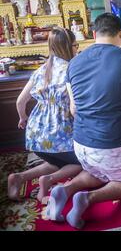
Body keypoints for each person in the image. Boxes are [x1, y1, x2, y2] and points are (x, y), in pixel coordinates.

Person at [46, 13, 121, 229]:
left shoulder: (73, 63)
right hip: (109, 143)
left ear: (94, 34)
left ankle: (66, 189)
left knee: (98, 170)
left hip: (81, 143)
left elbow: (73, 108)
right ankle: (89, 198)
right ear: (120, 35)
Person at [8, 28, 82, 203]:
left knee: (56, 162)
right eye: (75, 45)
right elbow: (75, 106)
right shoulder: (71, 69)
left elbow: (20, 101)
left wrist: (22, 118)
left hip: (36, 136)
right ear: (67, 47)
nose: (77, 49)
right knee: (83, 163)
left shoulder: (41, 70)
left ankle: (20, 177)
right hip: (61, 133)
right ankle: (48, 180)